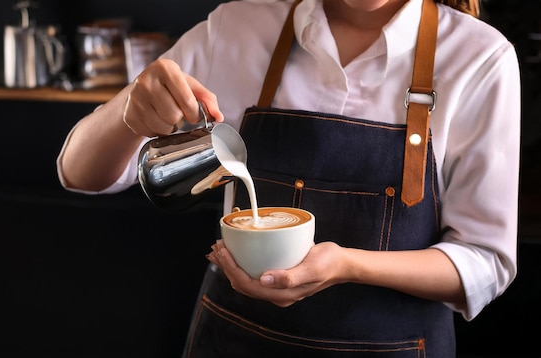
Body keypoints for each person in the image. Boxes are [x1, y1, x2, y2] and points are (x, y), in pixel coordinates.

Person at [56, 0, 521, 356]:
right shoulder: (234, 30)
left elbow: (485, 260)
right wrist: (130, 110)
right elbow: (79, 173)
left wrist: (348, 265)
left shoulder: (480, 58)